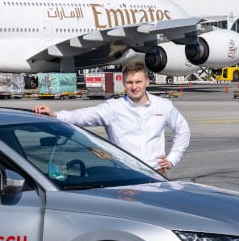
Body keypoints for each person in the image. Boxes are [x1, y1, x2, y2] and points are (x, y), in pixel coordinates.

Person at [33, 61, 190, 173]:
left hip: (156, 172)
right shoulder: (113, 108)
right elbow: (82, 116)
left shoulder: (163, 105)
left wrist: (173, 158)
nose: (134, 87)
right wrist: (55, 115)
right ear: (124, 84)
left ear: (147, 82)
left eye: (138, 82)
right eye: (130, 82)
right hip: (125, 173)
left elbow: (183, 129)